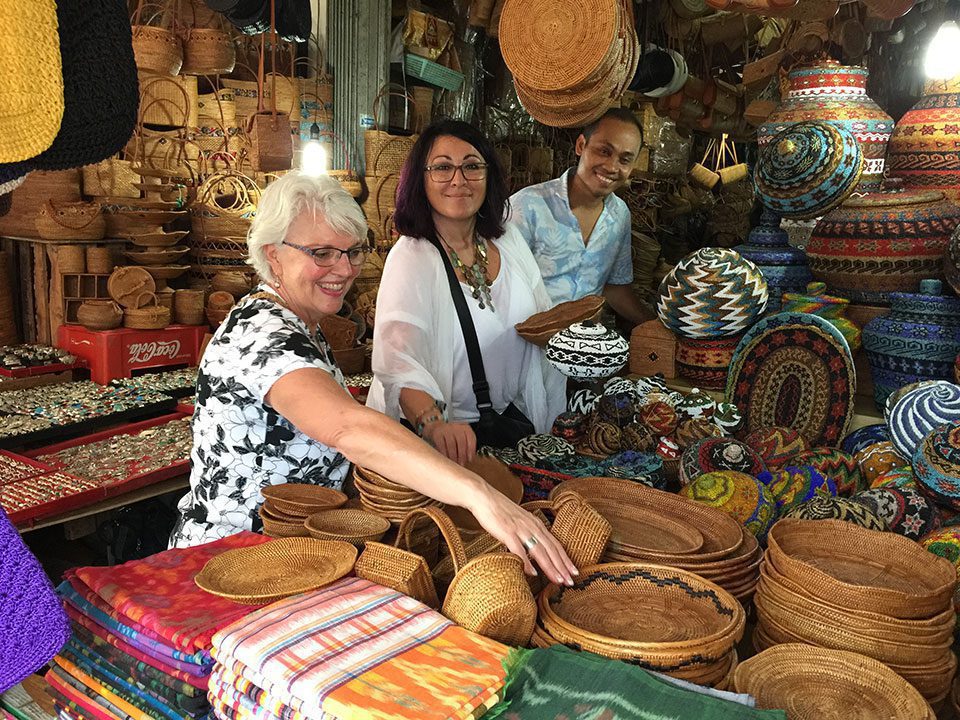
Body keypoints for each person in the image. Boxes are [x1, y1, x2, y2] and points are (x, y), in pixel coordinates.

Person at [168, 172, 575, 586]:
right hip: (230, 563)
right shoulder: (263, 333)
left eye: (353, 252)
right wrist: (479, 495)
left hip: (290, 555)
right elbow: (347, 426)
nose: (343, 270)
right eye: (322, 253)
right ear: (274, 255)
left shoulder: (300, 324)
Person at [366, 119, 566, 465]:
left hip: (511, 427)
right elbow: (397, 361)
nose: (458, 180)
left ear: (488, 176)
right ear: (421, 178)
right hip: (446, 442)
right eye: (443, 167)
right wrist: (434, 424)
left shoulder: (508, 241)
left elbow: (543, 321)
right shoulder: (412, 256)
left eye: (472, 166)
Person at [509, 107, 653, 325]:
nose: (612, 166)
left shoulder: (620, 214)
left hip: (586, 351)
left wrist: (656, 327)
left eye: (625, 160)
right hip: (526, 349)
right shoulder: (527, 206)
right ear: (581, 146)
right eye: (604, 151)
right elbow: (499, 287)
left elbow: (614, 288)